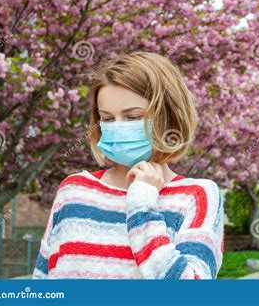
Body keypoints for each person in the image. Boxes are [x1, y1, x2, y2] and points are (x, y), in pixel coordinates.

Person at [32, 52, 224, 279]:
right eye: (108, 119)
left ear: (170, 118)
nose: (118, 128)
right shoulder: (73, 190)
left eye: (133, 117)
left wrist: (142, 203)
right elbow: (42, 279)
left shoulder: (197, 196)